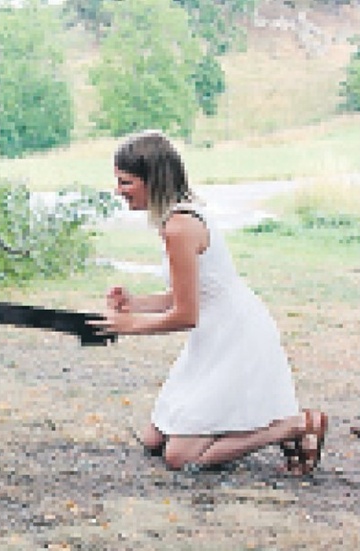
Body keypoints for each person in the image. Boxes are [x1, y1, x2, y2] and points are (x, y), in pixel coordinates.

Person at [90, 130, 327, 476]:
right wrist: (135, 304)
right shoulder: (175, 218)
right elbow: (185, 295)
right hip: (214, 336)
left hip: (236, 337)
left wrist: (130, 327)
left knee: (179, 457)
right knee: (154, 440)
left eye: (125, 182)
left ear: (152, 180)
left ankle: (296, 425)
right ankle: (224, 426)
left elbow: (186, 315)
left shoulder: (180, 227)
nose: (118, 190)